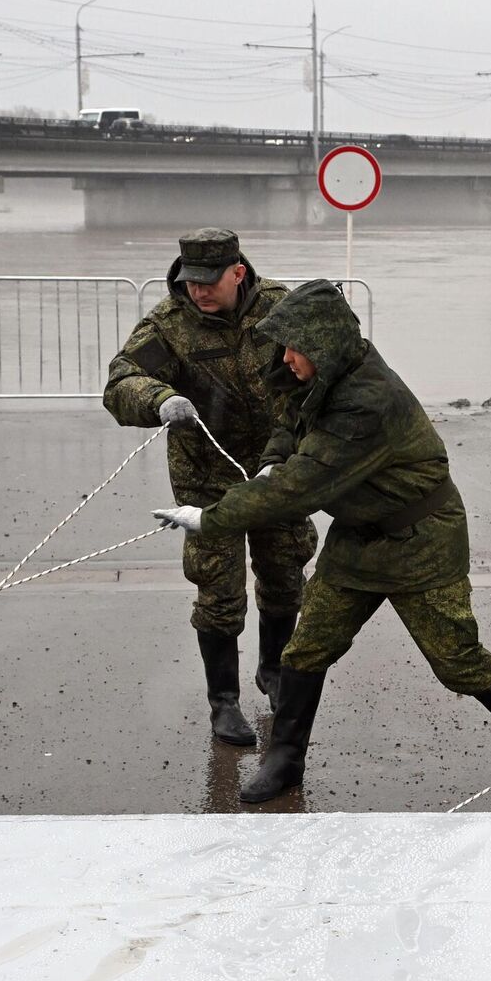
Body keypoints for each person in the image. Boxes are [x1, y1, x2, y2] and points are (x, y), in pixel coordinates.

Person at [152, 279, 491, 804]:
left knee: (456, 661)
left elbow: (300, 487)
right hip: (357, 539)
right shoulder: (318, 375)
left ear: (322, 347)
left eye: (293, 347)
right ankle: (285, 762)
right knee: (305, 652)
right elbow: (288, 423)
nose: (285, 357)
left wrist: (209, 517)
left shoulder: (368, 403)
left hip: (420, 542)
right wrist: (269, 462)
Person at [105, 229, 317, 745]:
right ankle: (223, 702)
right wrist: (158, 400)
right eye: (188, 280)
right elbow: (119, 382)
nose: (196, 290)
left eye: (208, 281)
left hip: (276, 470)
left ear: (237, 273)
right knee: (219, 592)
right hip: (208, 479)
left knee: (285, 572)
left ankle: (273, 670)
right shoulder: (168, 325)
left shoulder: (280, 308)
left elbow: (324, 365)